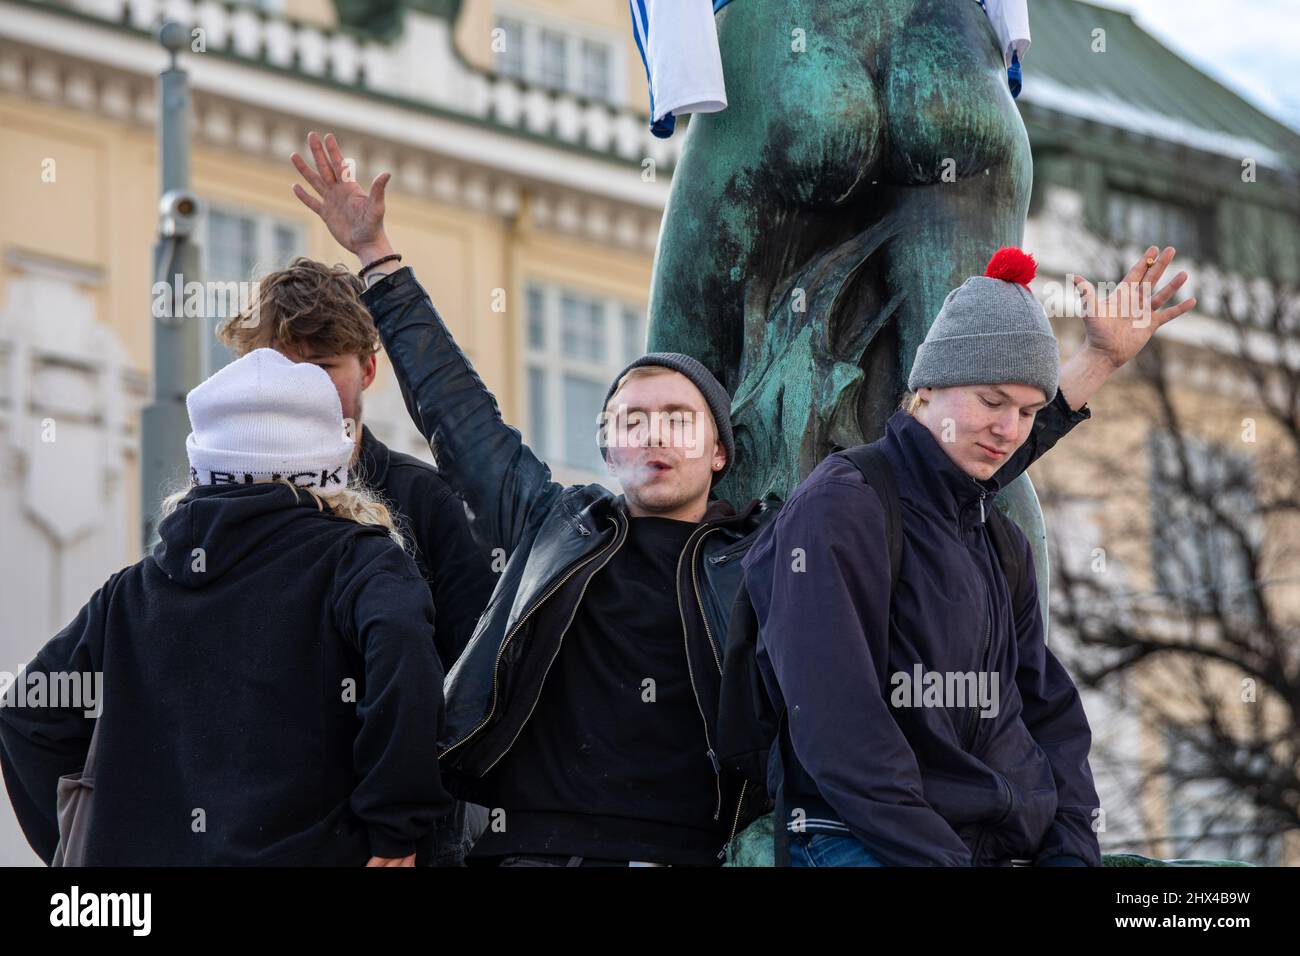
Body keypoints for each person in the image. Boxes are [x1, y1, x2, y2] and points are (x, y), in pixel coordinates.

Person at [289, 130, 1180, 866]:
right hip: (525, 848)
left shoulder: (769, 546)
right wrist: (376, 257)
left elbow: (943, 474)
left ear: (720, 449)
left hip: (695, 852)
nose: (653, 433)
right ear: (606, 444)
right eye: (630, 418)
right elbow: (460, 415)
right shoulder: (553, 524)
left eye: (678, 417)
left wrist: (1093, 362)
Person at [741, 247, 1195, 866]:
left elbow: (1052, 720)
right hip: (864, 844)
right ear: (926, 389)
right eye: (991, 400)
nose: (1009, 429)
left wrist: (1070, 856)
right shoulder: (842, 506)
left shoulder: (999, 541)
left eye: (1028, 412)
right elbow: (840, 730)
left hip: (1002, 847)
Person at [0, 349, 452, 865]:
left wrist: (96, 833)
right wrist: (395, 826)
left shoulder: (133, 592)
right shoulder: (360, 564)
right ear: (331, 463)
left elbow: (26, 715)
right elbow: (405, 658)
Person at [216, 258, 496, 865]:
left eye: (320, 367)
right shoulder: (217, 512)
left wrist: (404, 822)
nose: (300, 389)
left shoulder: (430, 503)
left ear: (368, 369)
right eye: (281, 368)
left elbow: (471, 683)